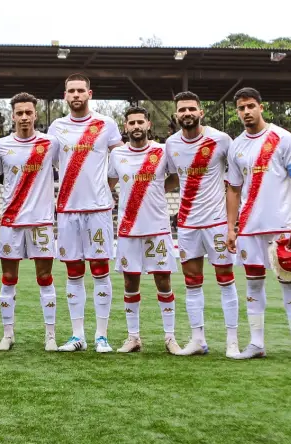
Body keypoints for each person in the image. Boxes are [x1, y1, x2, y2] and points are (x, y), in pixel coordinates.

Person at [225, 87, 291, 362]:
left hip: (282, 227)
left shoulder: (283, 138)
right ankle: (256, 343)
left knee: (289, 283)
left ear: (261, 107)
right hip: (249, 228)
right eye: (241, 108)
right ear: (237, 112)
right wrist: (231, 227)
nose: (246, 112)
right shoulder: (236, 146)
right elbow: (233, 189)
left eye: (251, 106)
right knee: (253, 285)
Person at [47, 73, 124, 352]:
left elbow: (121, 159)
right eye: (71, 91)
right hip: (68, 208)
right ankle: (77, 335)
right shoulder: (56, 127)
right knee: (74, 271)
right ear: (65, 95)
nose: (76, 95)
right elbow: (47, 162)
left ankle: (101, 336)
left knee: (100, 270)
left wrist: (106, 186)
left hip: (98, 208)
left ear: (89, 94)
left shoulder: (106, 124)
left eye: (81, 90)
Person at [0, 92, 62, 351]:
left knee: (45, 277)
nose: (24, 117)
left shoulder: (50, 143)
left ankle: (50, 335)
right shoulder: (1, 145)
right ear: (13, 116)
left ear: (35, 114)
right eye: (20, 113)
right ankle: (8, 334)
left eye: (28, 112)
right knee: (7, 277)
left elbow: (68, 167)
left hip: (41, 222)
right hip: (11, 221)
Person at [164, 91, 241, 358]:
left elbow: (236, 177)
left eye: (191, 109)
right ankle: (198, 339)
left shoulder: (221, 140)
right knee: (192, 282)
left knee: (226, 280)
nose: (186, 113)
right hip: (187, 224)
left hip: (217, 223)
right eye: (182, 109)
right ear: (176, 115)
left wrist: (232, 225)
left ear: (201, 112)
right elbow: (174, 177)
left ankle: (232, 341)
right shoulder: (171, 144)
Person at [109, 106, 183, 354]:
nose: (136, 126)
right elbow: (110, 182)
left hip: (157, 227)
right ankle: (133, 337)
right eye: (131, 123)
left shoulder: (162, 151)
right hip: (128, 228)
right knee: (130, 281)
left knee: (163, 280)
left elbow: (175, 178)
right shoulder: (117, 154)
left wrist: (157, 190)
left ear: (148, 125)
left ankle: (170, 337)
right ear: (126, 126)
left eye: (140, 122)